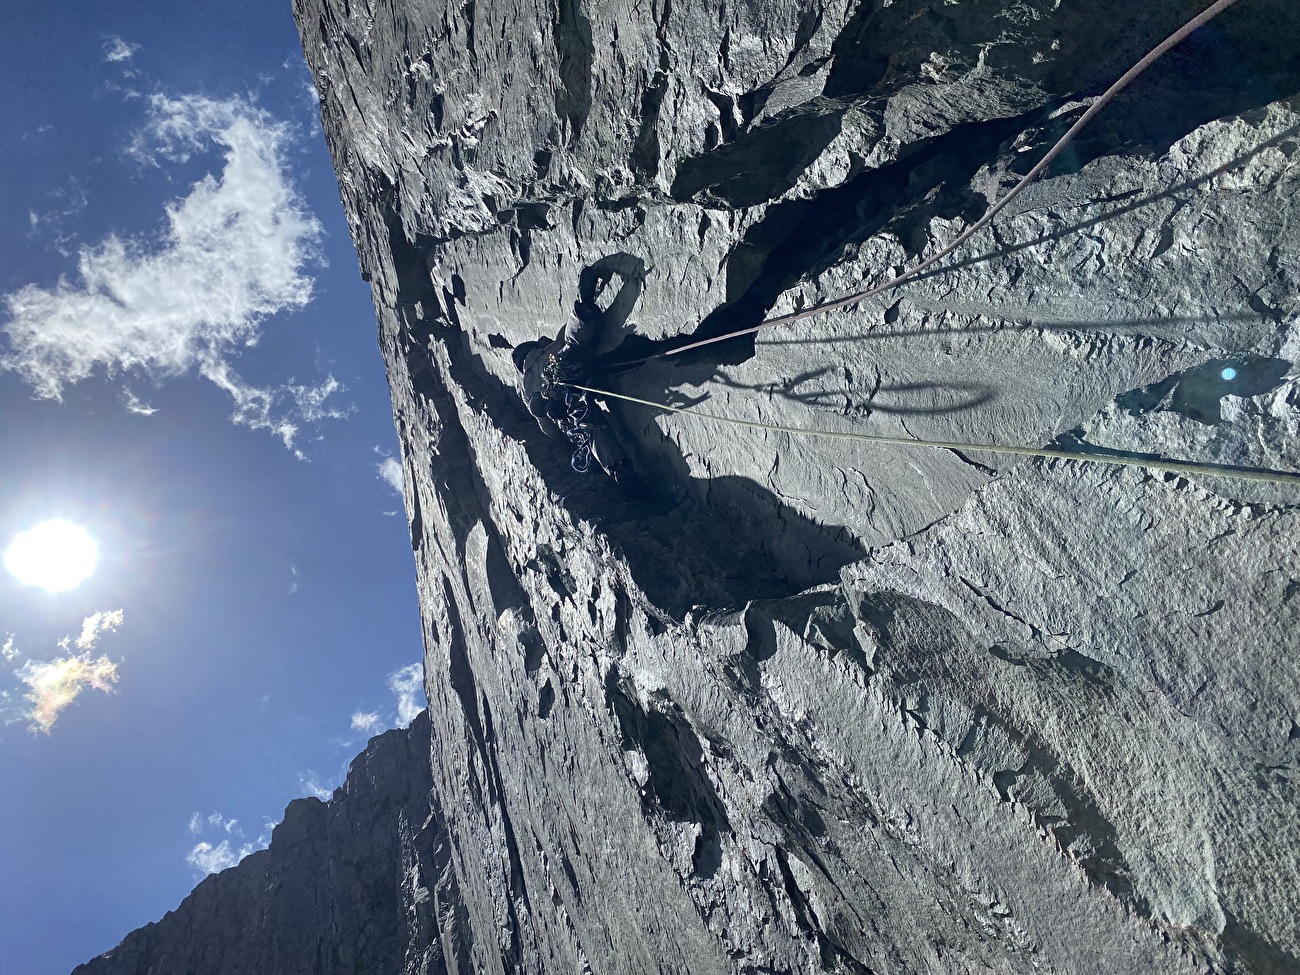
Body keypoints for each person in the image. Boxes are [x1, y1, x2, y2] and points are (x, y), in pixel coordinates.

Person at [513, 255, 647, 494]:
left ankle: (617, 468)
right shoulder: (545, 349)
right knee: (571, 343)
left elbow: (548, 430)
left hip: (559, 396)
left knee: (586, 424)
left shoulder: (526, 387)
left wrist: (555, 428)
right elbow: (567, 338)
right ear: (530, 347)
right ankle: (584, 309)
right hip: (569, 363)